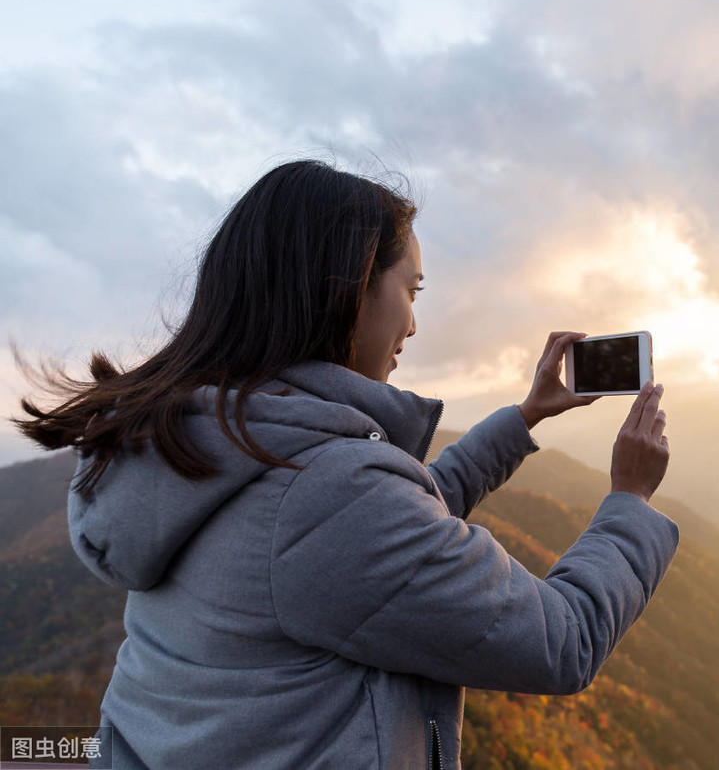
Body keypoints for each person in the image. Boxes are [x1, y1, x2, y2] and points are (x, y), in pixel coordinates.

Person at [14, 159, 678, 769]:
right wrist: (629, 499)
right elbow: (561, 639)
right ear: (353, 286)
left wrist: (524, 417)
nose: (413, 324)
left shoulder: (197, 440)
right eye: (411, 288)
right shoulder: (325, 496)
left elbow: (386, 540)